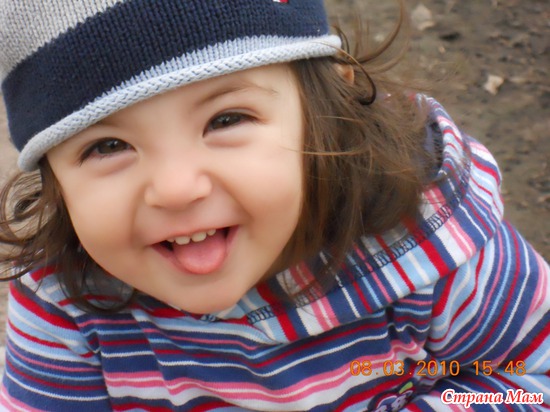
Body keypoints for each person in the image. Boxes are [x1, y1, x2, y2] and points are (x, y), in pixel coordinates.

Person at [0, 0, 548, 410]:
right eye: (107, 147)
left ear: (332, 108)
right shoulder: (69, 307)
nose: (175, 188)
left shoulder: (431, 248)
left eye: (226, 119)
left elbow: (530, 377)